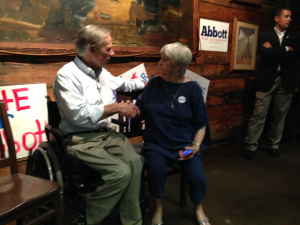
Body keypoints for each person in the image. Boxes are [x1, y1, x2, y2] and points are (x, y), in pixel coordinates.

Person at [53, 25, 145, 225]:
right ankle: (89, 214)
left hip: (106, 135)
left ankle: (133, 222)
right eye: (108, 49)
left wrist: (152, 84)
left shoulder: (100, 72)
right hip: (80, 139)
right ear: (91, 49)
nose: (113, 53)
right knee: (120, 172)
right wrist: (117, 107)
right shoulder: (66, 76)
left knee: (136, 163)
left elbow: (122, 84)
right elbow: (78, 115)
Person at [134, 42, 211, 225]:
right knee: (156, 171)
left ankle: (198, 209)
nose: (159, 62)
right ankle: (158, 209)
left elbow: (201, 123)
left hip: (183, 146)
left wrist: (195, 147)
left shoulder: (192, 89)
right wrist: (130, 109)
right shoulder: (154, 83)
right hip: (156, 146)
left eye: (164, 59)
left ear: (178, 66)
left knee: (197, 177)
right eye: (160, 58)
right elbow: (139, 109)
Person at [244, 8, 300, 159]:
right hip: (267, 79)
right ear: (277, 18)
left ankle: (274, 144)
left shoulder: (293, 37)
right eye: (286, 16)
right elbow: (266, 53)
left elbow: (296, 54)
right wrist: (286, 49)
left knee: (280, 114)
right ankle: (251, 145)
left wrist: (277, 50)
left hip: (286, 79)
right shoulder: (265, 36)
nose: (289, 19)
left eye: (290, 16)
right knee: (259, 114)